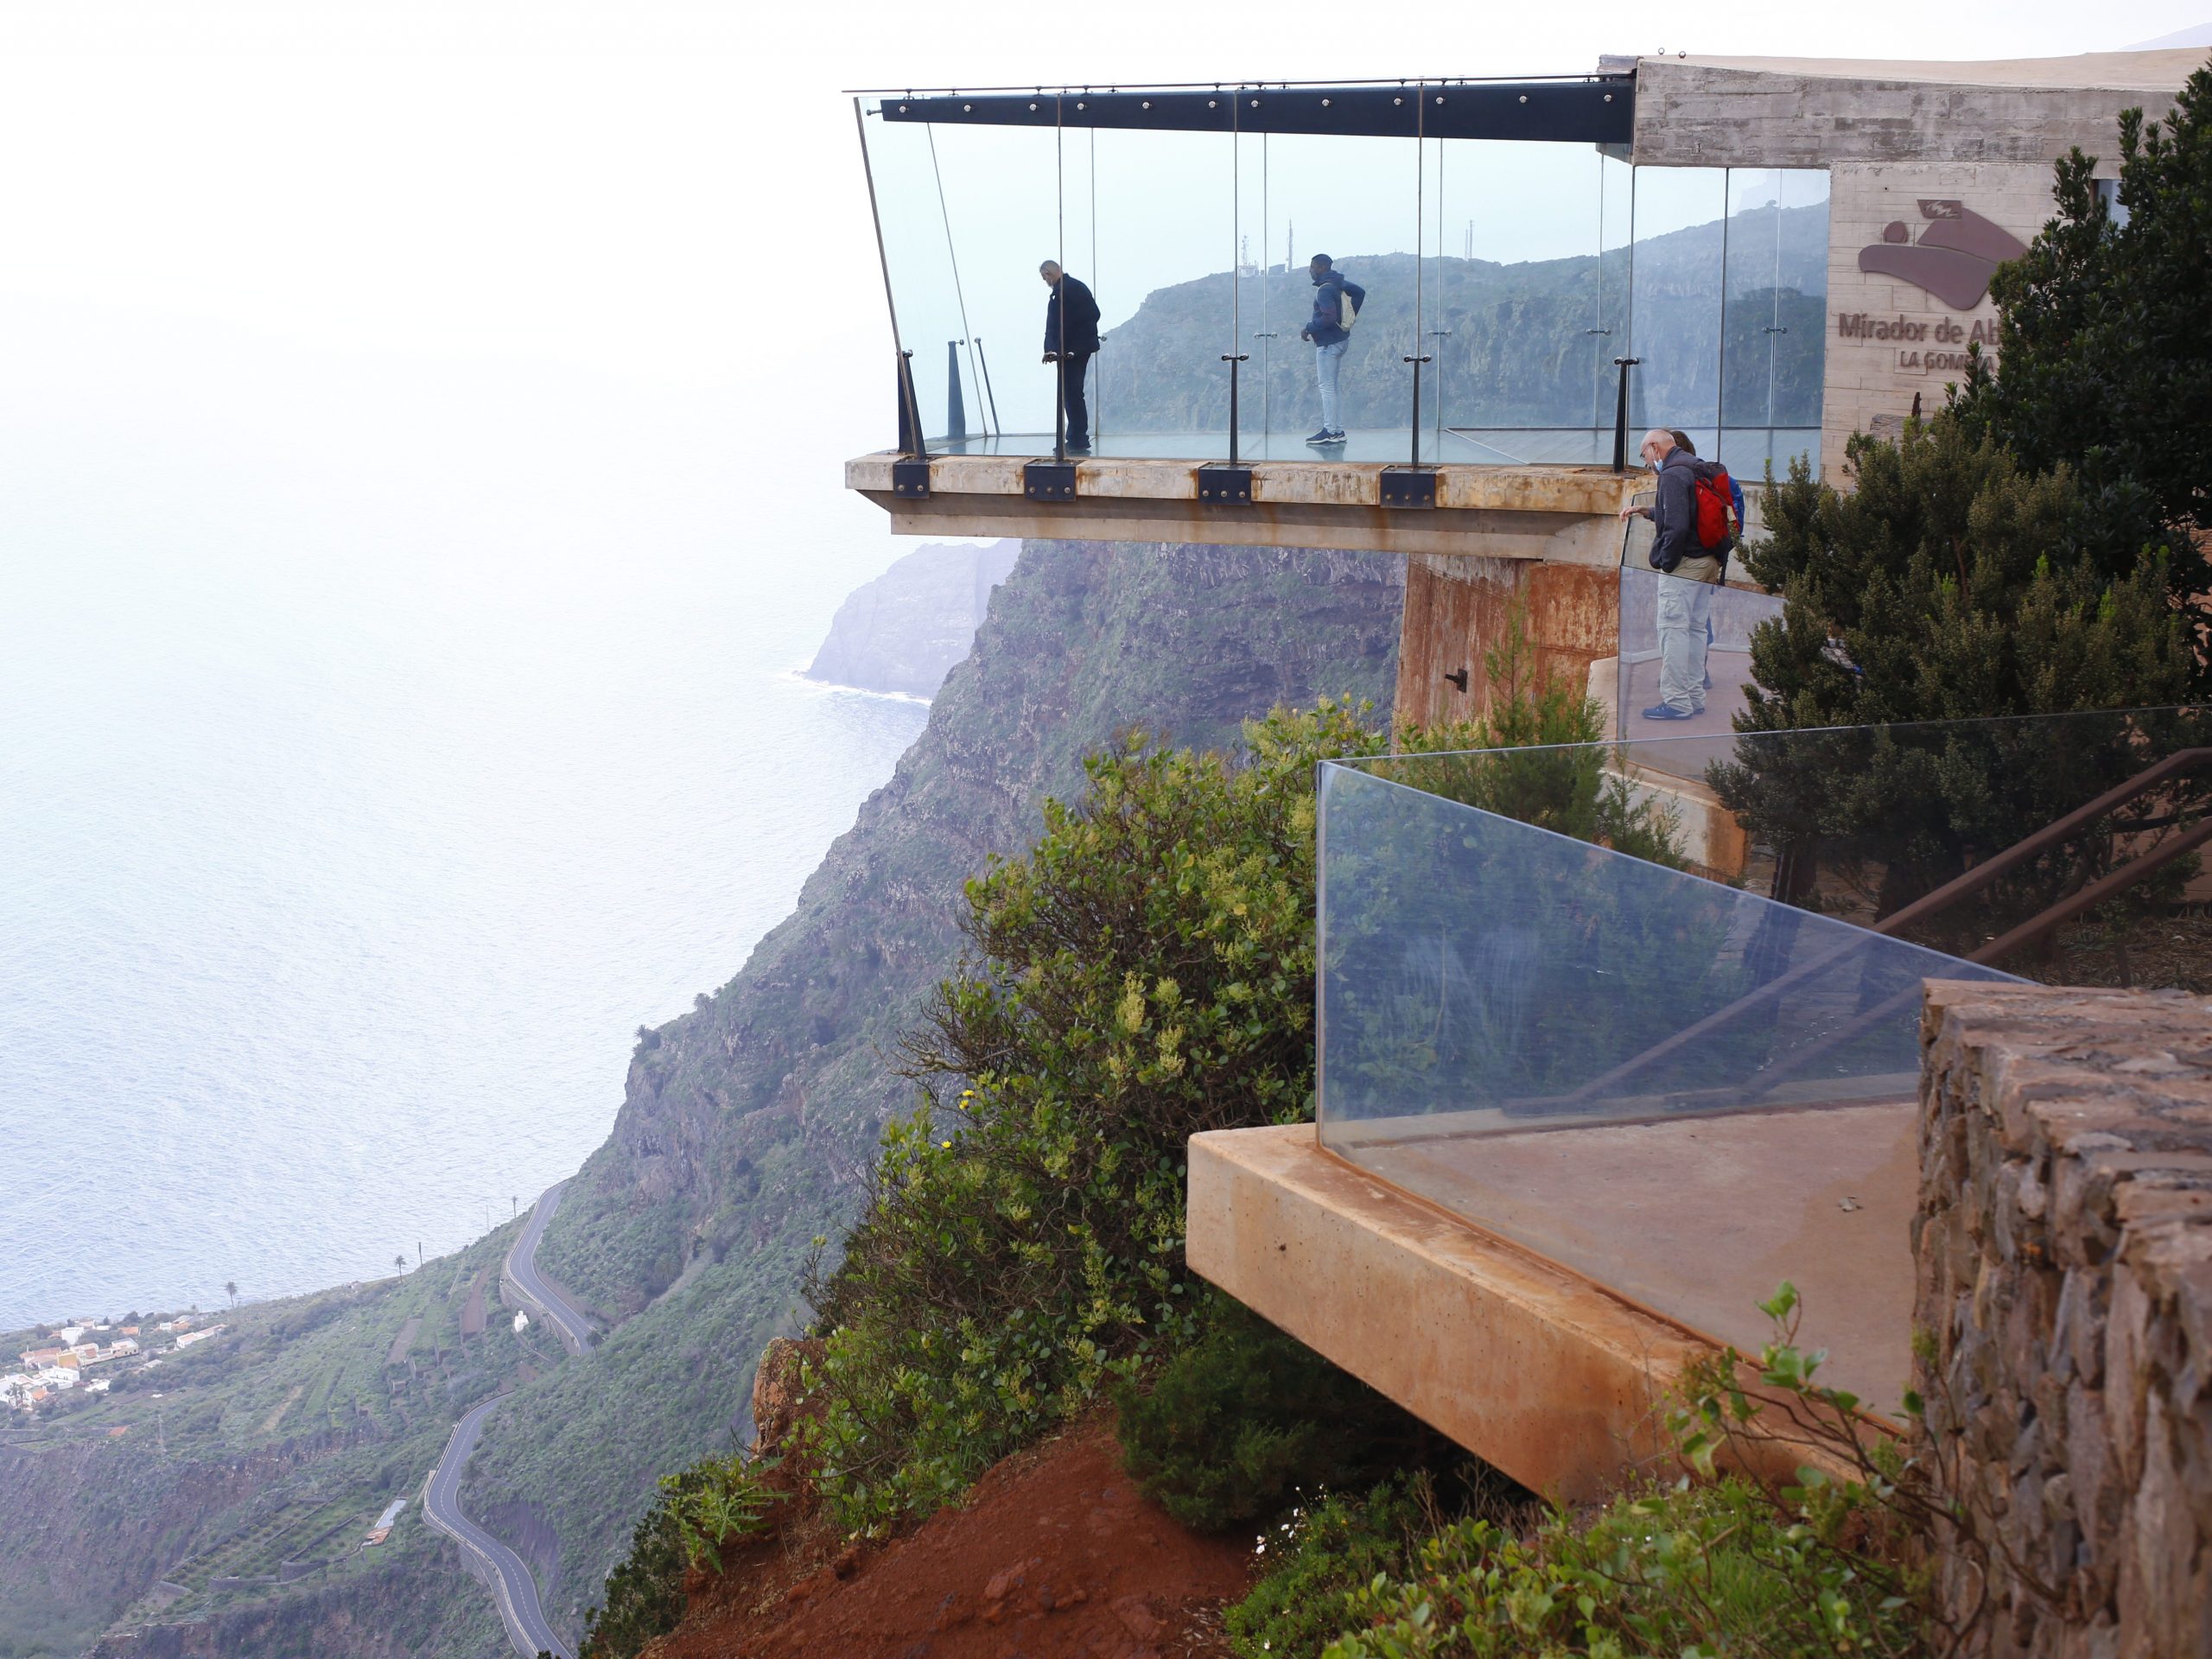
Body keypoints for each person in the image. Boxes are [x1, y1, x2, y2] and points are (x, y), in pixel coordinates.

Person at [1618, 428, 1726, 721]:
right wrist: (1648, 511)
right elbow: (1687, 515)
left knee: (1672, 630)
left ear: (1654, 447)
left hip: (1685, 565)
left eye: (1645, 457)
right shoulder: (1695, 466)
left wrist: (1666, 562)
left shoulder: (1671, 475)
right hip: (1709, 561)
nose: (1648, 464)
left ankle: (1677, 702)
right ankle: (1694, 696)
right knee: (1694, 629)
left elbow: (1677, 527)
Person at [1297, 254, 1363, 445]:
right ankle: (1337, 430)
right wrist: (1347, 318)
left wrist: (1309, 328)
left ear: (1323, 267)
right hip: (1341, 339)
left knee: (1326, 388)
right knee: (1332, 387)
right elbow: (1360, 292)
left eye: (1313, 267)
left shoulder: (1324, 290)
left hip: (1328, 343)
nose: (1310, 270)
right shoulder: (1338, 283)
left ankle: (1330, 431)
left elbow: (1327, 317)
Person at [1039, 260, 1101, 452]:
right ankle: (1075, 437)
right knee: (1072, 394)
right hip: (1072, 351)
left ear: (1050, 274)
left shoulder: (1066, 291)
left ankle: (1077, 439)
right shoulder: (1074, 288)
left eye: (1045, 277)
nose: (1046, 281)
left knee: (1072, 394)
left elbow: (1058, 326)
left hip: (1071, 352)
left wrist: (1067, 347)